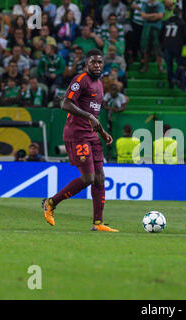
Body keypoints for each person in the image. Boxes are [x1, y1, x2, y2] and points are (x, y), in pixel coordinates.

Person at [41, 49, 117, 232]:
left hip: (92, 135)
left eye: (100, 62)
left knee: (100, 178)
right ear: (86, 64)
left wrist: (103, 132)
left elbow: (93, 116)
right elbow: (65, 103)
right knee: (88, 178)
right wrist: (88, 116)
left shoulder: (99, 84)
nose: (97, 65)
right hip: (76, 135)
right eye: (93, 62)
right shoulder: (80, 79)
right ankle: (51, 203)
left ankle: (98, 223)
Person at [160, 7, 186, 89]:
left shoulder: (166, 22)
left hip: (167, 46)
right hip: (177, 47)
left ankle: (170, 83)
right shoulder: (182, 23)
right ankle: (178, 80)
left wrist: (163, 45)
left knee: (169, 66)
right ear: (180, 13)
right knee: (180, 65)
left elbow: (160, 35)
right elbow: (185, 36)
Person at [139, 0, 165, 73]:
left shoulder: (160, 4)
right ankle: (145, 66)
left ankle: (160, 66)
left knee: (158, 47)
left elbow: (160, 16)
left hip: (157, 28)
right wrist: (154, 15)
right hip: (146, 28)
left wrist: (148, 16)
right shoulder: (145, 4)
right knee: (145, 47)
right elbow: (143, 16)